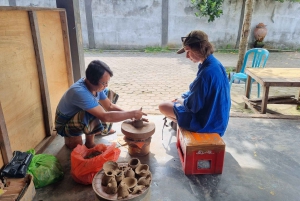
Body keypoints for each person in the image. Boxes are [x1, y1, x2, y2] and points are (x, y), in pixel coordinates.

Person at [55, 60, 147, 149]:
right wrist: (133, 113)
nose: (106, 85)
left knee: (107, 93)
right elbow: (105, 116)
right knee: (92, 113)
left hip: (77, 115)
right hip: (64, 124)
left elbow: (109, 106)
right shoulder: (79, 92)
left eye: (107, 82)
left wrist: (131, 116)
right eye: (104, 83)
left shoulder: (94, 87)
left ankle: (99, 129)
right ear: (92, 80)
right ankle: (89, 143)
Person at [159, 30, 231, 137]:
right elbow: (198, 92)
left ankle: (182, 123)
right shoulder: (214, 63)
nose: (187, 56)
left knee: (163, 106)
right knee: (178, 101)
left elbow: (192, 106)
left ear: (199, 49)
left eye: (188, 51)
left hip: (208, 123)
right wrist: (182, 97)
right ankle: (179, 121)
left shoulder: (206, 73)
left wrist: (180, 100)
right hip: (218, 120)